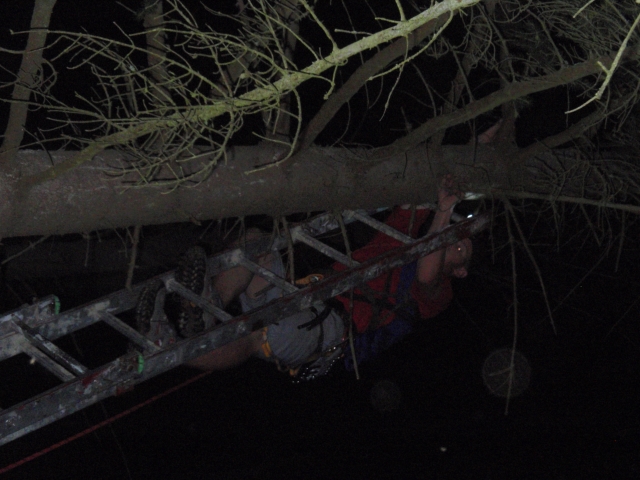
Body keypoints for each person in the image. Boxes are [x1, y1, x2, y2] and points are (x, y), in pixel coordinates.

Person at [136, 178, 472, 379]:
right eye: (457, 235)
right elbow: (419, 197)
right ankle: (205, 309)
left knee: (257, 333)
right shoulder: (396, 241)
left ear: (460, 270)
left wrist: (444, 214)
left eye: (460, 248)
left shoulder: (439, 292)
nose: (454, 240)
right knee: (255, 245)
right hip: (303, 294)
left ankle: (172, 351)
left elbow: (427, 272)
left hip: (327, 327)